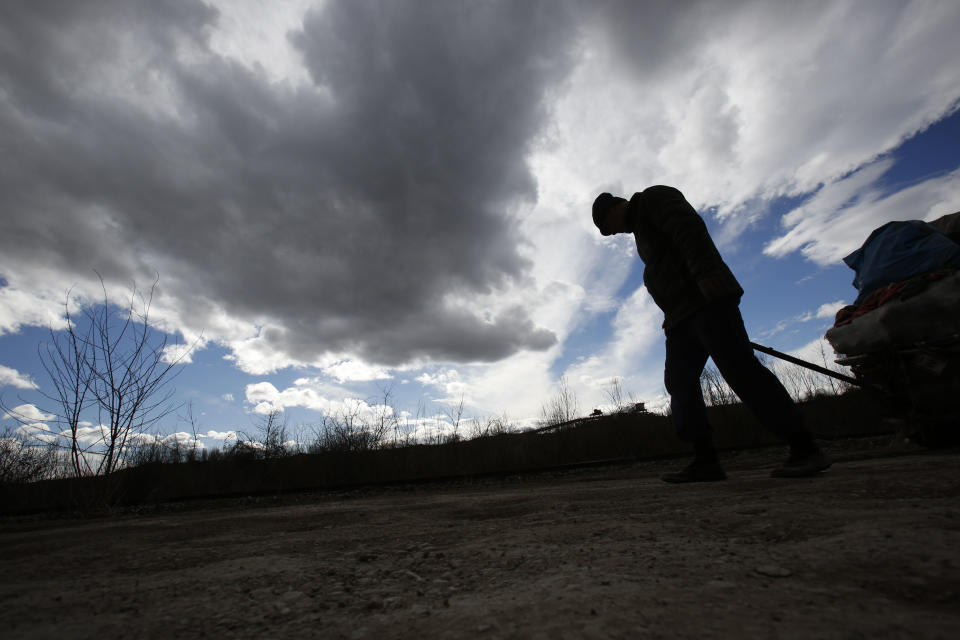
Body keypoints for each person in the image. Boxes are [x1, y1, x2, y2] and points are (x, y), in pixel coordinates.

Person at [592, 185, 832, 482]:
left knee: (740, 370)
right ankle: (705, 460)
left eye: (608, 227)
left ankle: (804, 446)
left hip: (706, 299)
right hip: (680, 317)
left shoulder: (654, 198)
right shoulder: (641, 232)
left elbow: (689, 231)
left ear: (616, 207)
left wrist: (707, 275)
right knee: (680, 382)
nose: (614, 233)